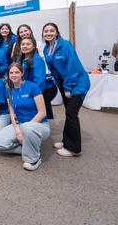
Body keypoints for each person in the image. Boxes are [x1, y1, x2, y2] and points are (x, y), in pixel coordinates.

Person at [42, 22, 90, 157]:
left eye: (52, 30)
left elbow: (72, 66)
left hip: (77, 82)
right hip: (64, 84)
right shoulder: (47, 48)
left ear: (57, 33)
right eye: (46, 31)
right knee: (69, 113)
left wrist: (69, 87)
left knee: (71, 114)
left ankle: (74, 149)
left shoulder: (65, 45)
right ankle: (66, 141)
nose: (49, 33)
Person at [0, 63, 50, 171]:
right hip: (20, 124)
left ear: (22, 73)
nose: (14, 75)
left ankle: (34, 159)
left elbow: (42, 113)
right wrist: (18, 130)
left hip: (39, 125)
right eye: (11, 73)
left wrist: (24, 129)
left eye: (17, 72)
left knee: (28, 128)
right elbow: (12, 112)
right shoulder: (8, 89)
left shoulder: (33, 87)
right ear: (8, 75)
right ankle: (28, 148)